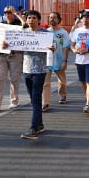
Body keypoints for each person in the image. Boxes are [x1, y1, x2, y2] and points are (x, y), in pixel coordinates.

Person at [13, 10, 52, 139]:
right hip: (27, 70)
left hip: (40, 70)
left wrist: (52, 48)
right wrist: (7, 45)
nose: (31, 20)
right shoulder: (23, 34)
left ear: (39, 20)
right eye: (29, 18)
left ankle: (33, 128)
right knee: (33, 99)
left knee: (35, 98)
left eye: (34, 18)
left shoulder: (45, 34)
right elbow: (16, 49)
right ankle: (40, 124)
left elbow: (54, 46)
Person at [0, 6, 23, 113]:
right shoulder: (0, 25)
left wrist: (17, 15)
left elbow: (25, 26)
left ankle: (14, 101)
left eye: (10, 12)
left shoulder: (18, 24)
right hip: (2, 55)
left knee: (14, 78)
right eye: (5, 12)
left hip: (15, 54)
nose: (7, 14)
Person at [70, 11, 89, 114]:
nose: (85, 20)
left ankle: (87, 103)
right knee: (82, 82)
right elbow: (72, 45)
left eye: (87, 18)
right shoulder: (77, 31)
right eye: (83, 18)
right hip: (79, 60)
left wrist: (88, 51)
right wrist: (74, 51)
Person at [42, 12, 70, 110]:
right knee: (46, 83)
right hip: (48, 61)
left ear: (58, 19)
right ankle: (46, 103)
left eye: (54, 17)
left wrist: (65, 61)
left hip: (59, 60)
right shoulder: (45, 32)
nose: (52, 19)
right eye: (50, 17)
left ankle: (62, 94)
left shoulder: (63, 33)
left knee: (62, 81)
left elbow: (66, 47)